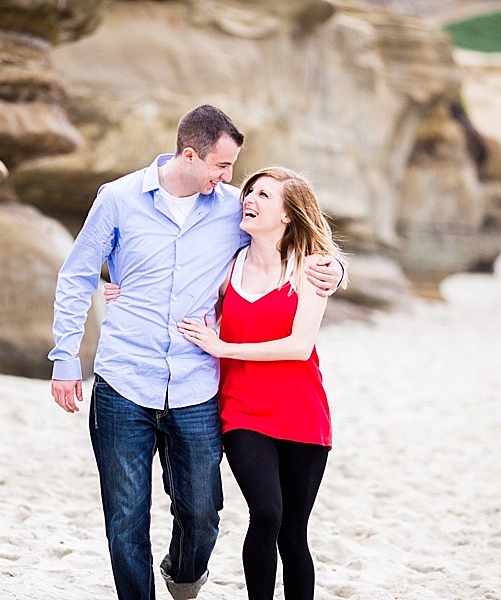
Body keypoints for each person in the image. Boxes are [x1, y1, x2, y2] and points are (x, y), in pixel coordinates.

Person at [49, 105, 344, 600]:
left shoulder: (233, 209)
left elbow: (294, 243)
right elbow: (78, 275)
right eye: (222, 166)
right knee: (125, 516)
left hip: (195, 385)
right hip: (124, 378)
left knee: (202, 512)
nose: (231, 179)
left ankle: (184, 575)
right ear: (191, 154)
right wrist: (65, 359)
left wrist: (335, 273)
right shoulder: (118, 199)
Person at [175, 166, 341, 599]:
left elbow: (299, 347)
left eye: (264, 195)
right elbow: (178, 288)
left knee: (293, 533)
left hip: (302, 414)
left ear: (288, 214)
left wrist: (223, 348)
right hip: (242, 411)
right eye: (249, 191)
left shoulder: (314, 269)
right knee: (266, 513)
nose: (249, 198)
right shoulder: (229, 266)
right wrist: (124, 290)